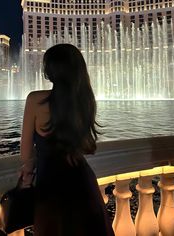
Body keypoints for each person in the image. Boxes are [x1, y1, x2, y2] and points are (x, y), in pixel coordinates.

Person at [20, 44, 114, 236]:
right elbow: (87, 145)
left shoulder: (35, 100)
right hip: (83, 184)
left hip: (51, 188)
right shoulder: (84, 101)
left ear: (50, 70)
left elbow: (26, 152)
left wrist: (27, 178)